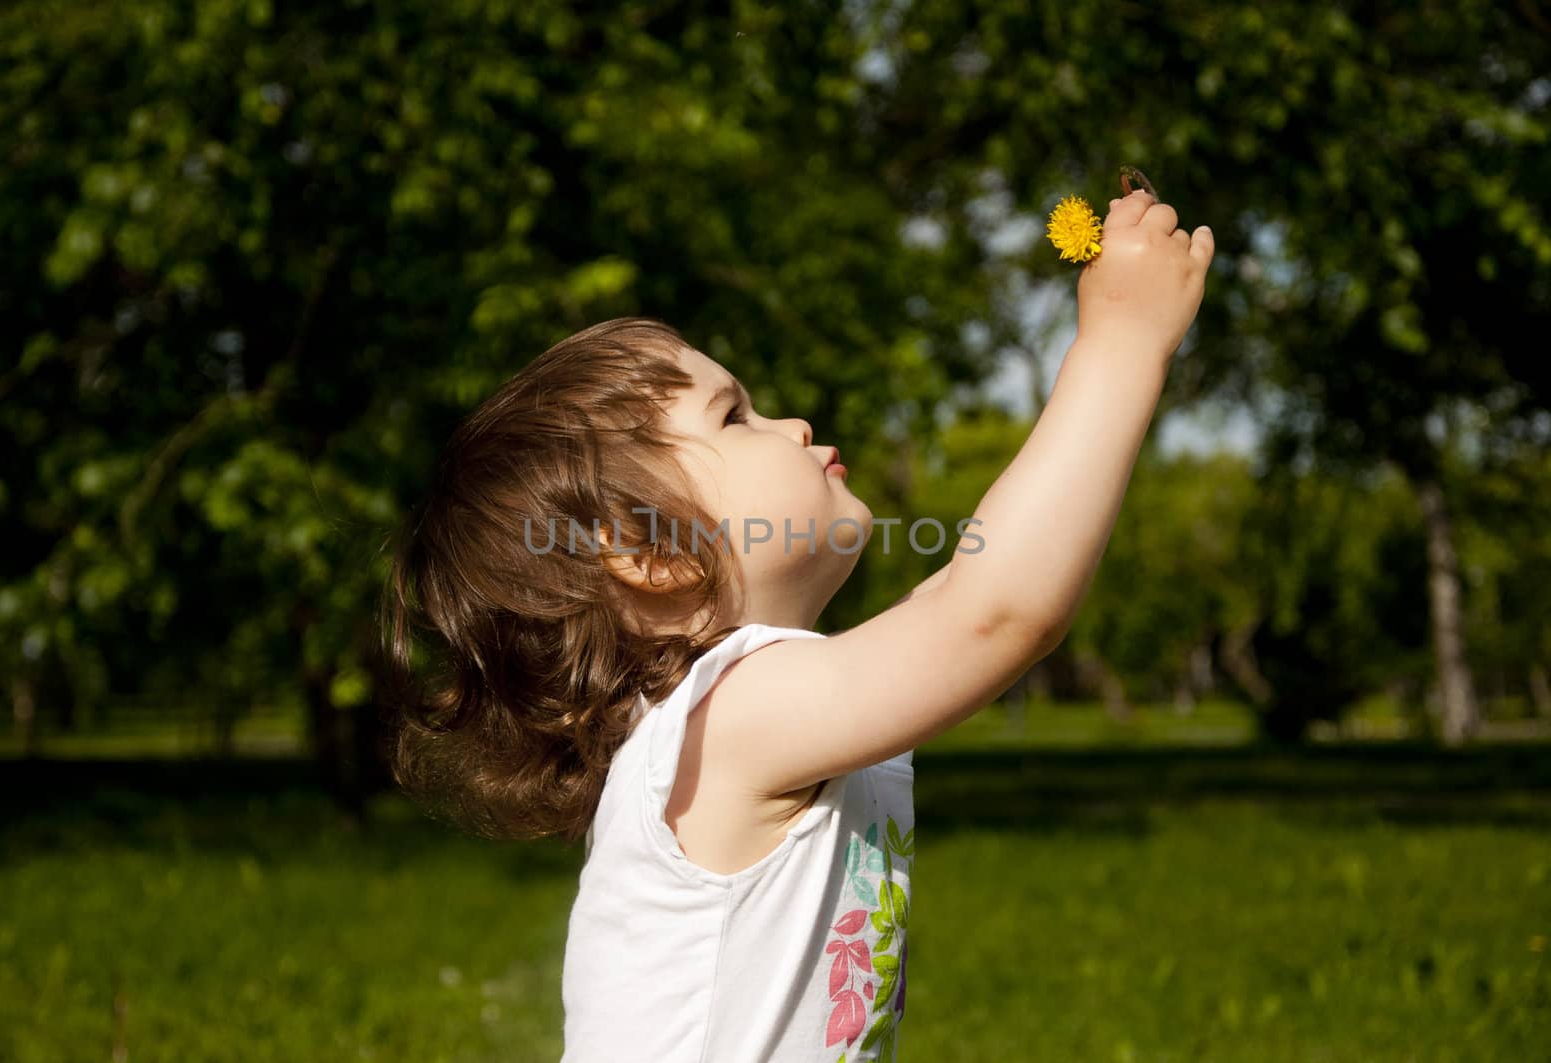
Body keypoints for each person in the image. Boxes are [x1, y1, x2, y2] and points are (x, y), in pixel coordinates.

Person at [378, 189, 1213, 1062]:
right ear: (653, 553)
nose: (794, 423)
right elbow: (994, 610)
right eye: (734, 416)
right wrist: (1121, 344)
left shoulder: (736, 714)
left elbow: (956, 601)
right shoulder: (729, 720)